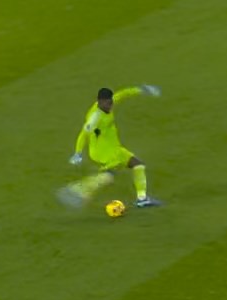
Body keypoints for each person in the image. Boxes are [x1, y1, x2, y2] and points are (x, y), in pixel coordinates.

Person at [61, 84, 163, 212]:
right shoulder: (95, 117)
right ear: (100, 101)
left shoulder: (109, 103)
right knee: (109, 175)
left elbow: (123, 94)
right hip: (102, 152)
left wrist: (142, 90)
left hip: (114, 148)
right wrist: (78, 153)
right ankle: (78, 189)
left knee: (138, 165)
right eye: (107, 103)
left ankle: (142, 199)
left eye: (111, 102)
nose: (110, 106)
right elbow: (83, 134)